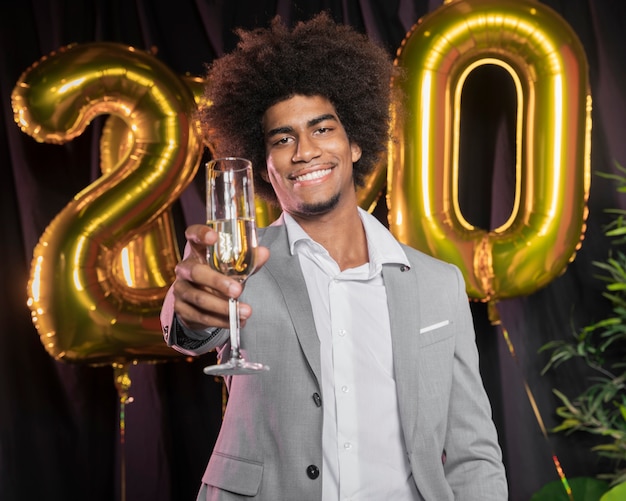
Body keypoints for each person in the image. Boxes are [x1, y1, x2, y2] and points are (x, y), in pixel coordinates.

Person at [160, 12, 508, 500]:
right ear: (265, 166)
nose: (304, 151)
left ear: (357, 142)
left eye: (322, 129)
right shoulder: (239, 261)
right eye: (282, 139)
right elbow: (191, 328)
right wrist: (191, 306)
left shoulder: (438, 283)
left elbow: (472, 450)